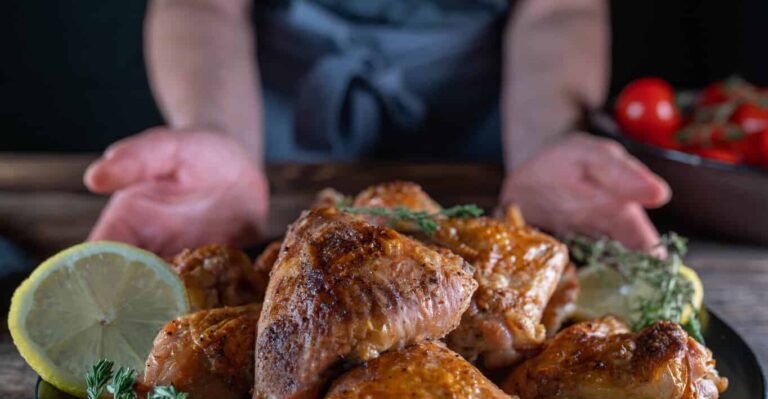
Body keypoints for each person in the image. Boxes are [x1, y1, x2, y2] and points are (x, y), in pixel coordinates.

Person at [84, 0, 670, 256]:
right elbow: (203, 5)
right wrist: (214, 129)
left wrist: (549, 139)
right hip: (273, 136)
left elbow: (559, 10)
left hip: (499, 141)